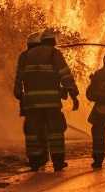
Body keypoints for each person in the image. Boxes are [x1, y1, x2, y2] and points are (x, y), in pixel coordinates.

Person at [13, 29, 79, 171]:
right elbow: (65, 75)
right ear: (52, 42)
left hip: (31, 103)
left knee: (33, 132)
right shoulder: (53, 53)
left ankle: (35, 161)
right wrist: (73, 93)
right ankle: (58, 161)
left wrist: (20, 95)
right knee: (55, 131)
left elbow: (18, 81)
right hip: (51, 102)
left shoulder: (24, 56)